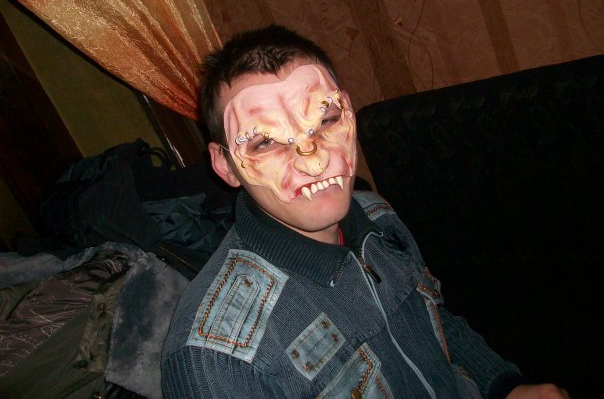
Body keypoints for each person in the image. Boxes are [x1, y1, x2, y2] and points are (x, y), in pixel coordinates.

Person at [161, 25, 569, 398]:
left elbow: (432, 321)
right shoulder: (216, 361)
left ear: (349, 111)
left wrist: (503, 385)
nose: (314, 161)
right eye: (265, 143)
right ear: (225, 165)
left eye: (326, 119)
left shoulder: (375, 215)